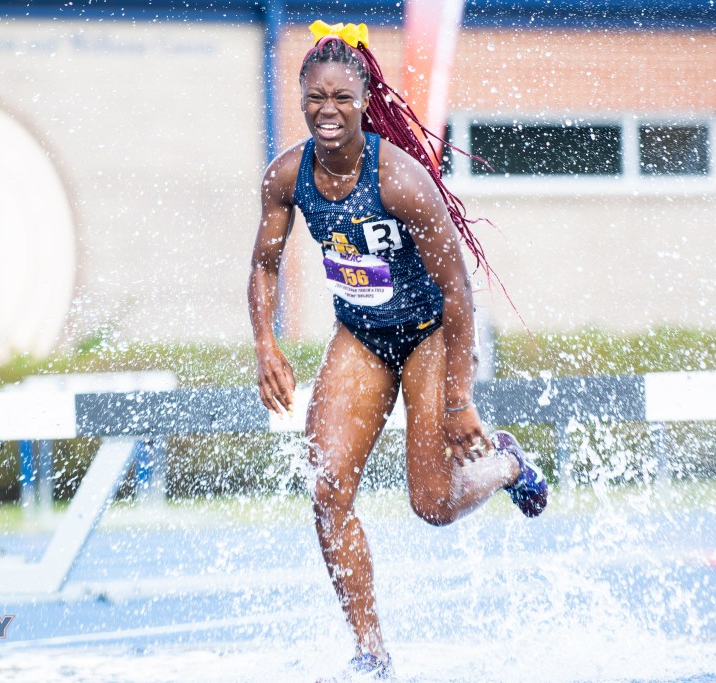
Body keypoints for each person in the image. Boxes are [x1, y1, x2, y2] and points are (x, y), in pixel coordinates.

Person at [247, 20, 548, 680]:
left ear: (364, 99)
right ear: (302, 99)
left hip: (428, 333)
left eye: (342, 99)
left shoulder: (401, 181)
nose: (329, 112)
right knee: (327, 490)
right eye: (316, 99)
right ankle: (370, 645)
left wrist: (459, 397)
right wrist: (265, 343)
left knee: (433, 503)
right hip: (361, 333)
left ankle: (505, 462)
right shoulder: (286, 176)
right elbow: (265, 264)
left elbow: (459, 292)